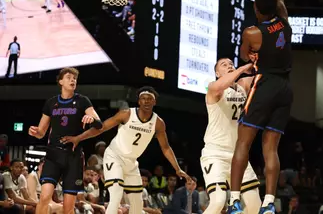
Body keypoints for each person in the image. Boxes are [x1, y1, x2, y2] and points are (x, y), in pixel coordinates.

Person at [229, 0, 293, 214]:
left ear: (257, 9)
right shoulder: (283, 17)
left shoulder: (253, 32)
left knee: (244, 140)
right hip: (286, 87)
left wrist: (252, 54)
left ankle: (233, 200)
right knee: (271, 148)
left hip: (265, 84)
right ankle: (269, 203)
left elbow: (245, 56)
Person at [61, 86, 191, 214]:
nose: (146, 101)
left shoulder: (158, 123)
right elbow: (101, 128)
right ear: (139, 101)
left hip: (131, 163)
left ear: (154, 102)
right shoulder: (126, 114)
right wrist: (78, 138)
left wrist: (177, 168)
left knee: (137, 203)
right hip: (114, 156)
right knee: (116, 193)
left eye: (149, 99)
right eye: (143, 98)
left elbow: (166, 147)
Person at [28, 67, 103, 214]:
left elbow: (99, 125)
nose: (72, 80)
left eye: (75, 78)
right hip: (53, 155)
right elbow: (42, 132)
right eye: (68, 77)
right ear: (60, 81)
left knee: (68, 207)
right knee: (44, 196)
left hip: (73, 157)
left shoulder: (82, 101)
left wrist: (90, 120)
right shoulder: (51, 103)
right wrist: (35, 132)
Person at [202, 59, 260, 214]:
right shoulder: (213, 87)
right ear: (216, 73)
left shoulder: (242, 87)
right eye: (224, 65)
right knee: (218, 202)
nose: (229, 66)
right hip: (215, 153)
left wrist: (258, 59)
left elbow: (260, 74)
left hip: (237, 155)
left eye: (230, 64)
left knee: (254, 204)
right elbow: (221, 85)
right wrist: (240, 69)